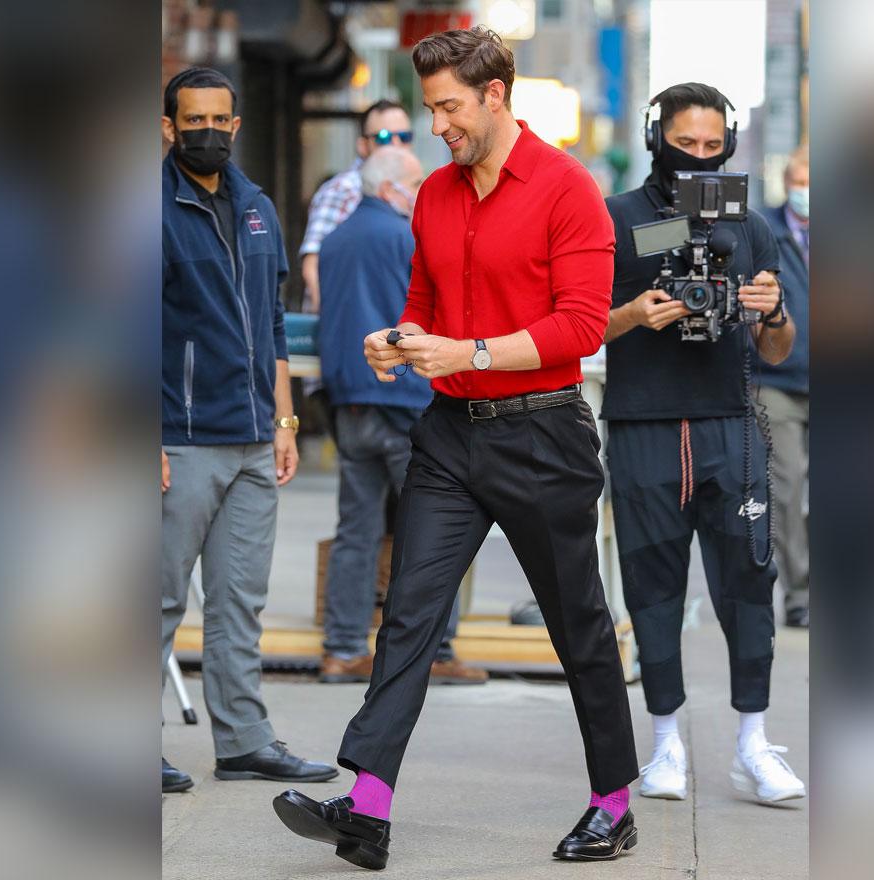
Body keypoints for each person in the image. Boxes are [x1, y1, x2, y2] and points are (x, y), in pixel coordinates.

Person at [271, 27, 639, 869]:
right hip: (446, 436)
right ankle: (367, 808)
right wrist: (397, 340)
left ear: (496, 95)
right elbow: (423, 301)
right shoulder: (434, 194)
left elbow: (580, 328)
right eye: (430, 105)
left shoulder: (568, 190)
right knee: (408, 616)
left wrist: (470, 352)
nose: (435, 124)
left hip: (544, 433)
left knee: (577, 624)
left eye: (447, 107)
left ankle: (612, 804)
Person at [600, 83, 806, 805]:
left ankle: (753, 744)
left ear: (729, 142)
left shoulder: (748, 226)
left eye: (710, 145)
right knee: (651, 590)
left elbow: (778, 349)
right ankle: (665, 746)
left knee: (750, 585)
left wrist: (771, 307)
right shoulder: (619, 218)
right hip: (643, 426)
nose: (696, 157)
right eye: (683, 143)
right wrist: (634, 312)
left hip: (729, 425)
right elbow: (583, 325)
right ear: (657, 136)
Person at [160, 67, 336, 793]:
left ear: (236, 126)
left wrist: (286, 420)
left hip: (256, 436)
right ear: (169, 128)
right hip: (180, 438)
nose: (207, 132)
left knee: (240, 599)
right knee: (159, 596)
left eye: (218, 121)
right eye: (191, 120)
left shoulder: (258, 208)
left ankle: (244, 740)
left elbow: (270, 327)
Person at [315, 146, 486, 686]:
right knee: (433, 529)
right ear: (390, 189)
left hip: (349, 400)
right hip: (402, 399)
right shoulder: (405, 237)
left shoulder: (336, 240)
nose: (420, 194)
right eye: (414, 184)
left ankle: (342, 648)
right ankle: (436, 652)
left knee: (356, 529)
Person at [297, 99, 414, 313]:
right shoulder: (342, 190)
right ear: (362, 145)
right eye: (384, 137)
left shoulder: (412, 187)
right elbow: (313, 265)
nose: (396, 145)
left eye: (404, 137)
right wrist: (334, 324)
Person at [759, 144, 810, 628]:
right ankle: (800, 593)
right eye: (801, 176)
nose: (808, 187)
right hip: (779, 380)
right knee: (788, 488)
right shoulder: (764, 230)